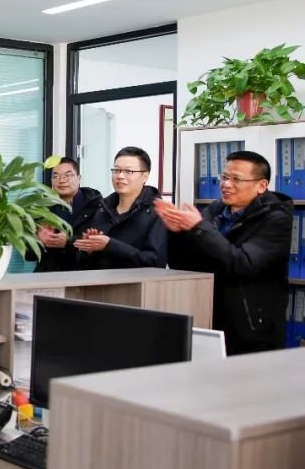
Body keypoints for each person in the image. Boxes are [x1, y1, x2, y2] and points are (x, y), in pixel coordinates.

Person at [155, 150, 293, 355]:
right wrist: (177, 233)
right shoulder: (215, 211)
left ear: (261, 185)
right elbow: (186, 265)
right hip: (208, 315)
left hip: (252, 328)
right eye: (224, 177)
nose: (226, 184)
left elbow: (242, 264)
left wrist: (199, 228)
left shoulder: (275, 219)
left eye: (236, 179)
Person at [73, 146, 167, 270]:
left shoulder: (158, 213)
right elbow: (83, 265)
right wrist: (89, 250)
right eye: (116, 170)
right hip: (100, 281)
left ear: (145, 176)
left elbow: (156, 263)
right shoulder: (101, 209)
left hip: (137, 283)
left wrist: (110, 245)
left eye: (129, 171)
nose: (120, 176)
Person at [34, 157, 102, 272]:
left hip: (83, 274)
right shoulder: (42, 206)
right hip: (47, 274)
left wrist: (69, 242)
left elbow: (101, 247)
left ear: (79, 178)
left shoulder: (96, 206)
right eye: (55, 176)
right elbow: (29, 255)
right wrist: (39, 240)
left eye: (68, 175)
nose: (61, 180)